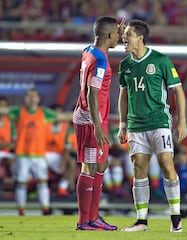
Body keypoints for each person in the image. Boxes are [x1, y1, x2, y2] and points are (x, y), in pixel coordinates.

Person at [118, 19, 187, 232]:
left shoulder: (160, 60)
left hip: (159, 121)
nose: (124, 38)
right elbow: (123, 96)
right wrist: (122, 123)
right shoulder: (125, 65)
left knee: (167, 163)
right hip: (136, 125)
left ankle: (176, 216)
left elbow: (178, 91)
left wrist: (182, 121)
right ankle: (141, 221)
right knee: (139, 167)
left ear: (140, 37)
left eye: (128, 34)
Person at [0, 88, 73, 215]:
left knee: (42, 182)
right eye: (29, 96)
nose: (31, 99)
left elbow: (62, 116)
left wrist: (85, 113)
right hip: (22, 154)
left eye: (34, 96)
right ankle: (21, 211)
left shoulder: (44, 113)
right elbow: (0, 110)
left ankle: (45, 209)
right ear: (25, 99)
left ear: (38, 99)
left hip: (39, 155)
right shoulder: (19, 111)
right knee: (21, 183)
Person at [72, 16, 123, 231]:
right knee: (90, 166)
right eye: (118, 33)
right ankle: (84, 220)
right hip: (91, 120)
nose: (120, 36)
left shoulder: (89, 51)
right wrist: (97, 125)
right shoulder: (101, 60)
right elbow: (93, 94)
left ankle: (94, 217)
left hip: (93, 118)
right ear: (109, 35)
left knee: (102, 164)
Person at [45, 104, 76, 197]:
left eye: (60, 113)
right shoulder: (44, 124)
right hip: (43, 154)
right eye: (55, 113)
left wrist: (64, 159)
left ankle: (62, 188)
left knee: (71, 163)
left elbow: (67, 146)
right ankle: (34, 188)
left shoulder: (66, 127)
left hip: (58, 155)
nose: (58, 115)